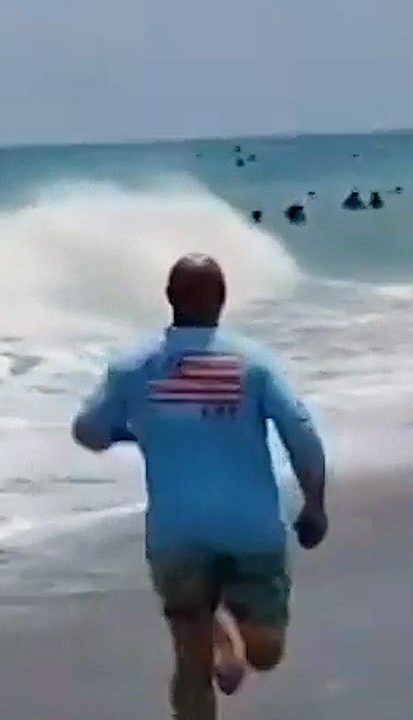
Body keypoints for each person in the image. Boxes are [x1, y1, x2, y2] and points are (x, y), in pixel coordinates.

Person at [70, 253, 328, 720]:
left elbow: (87, 431)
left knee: (193, 660)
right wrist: (315, 504)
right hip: (251, 530)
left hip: (176, 533)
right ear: (223, 300)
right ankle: (226, 636)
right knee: (264, 651)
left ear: (169, 299)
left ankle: (220, 633)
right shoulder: (252, 362)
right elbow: (301, 432)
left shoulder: (133, 367)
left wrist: (134, 431)